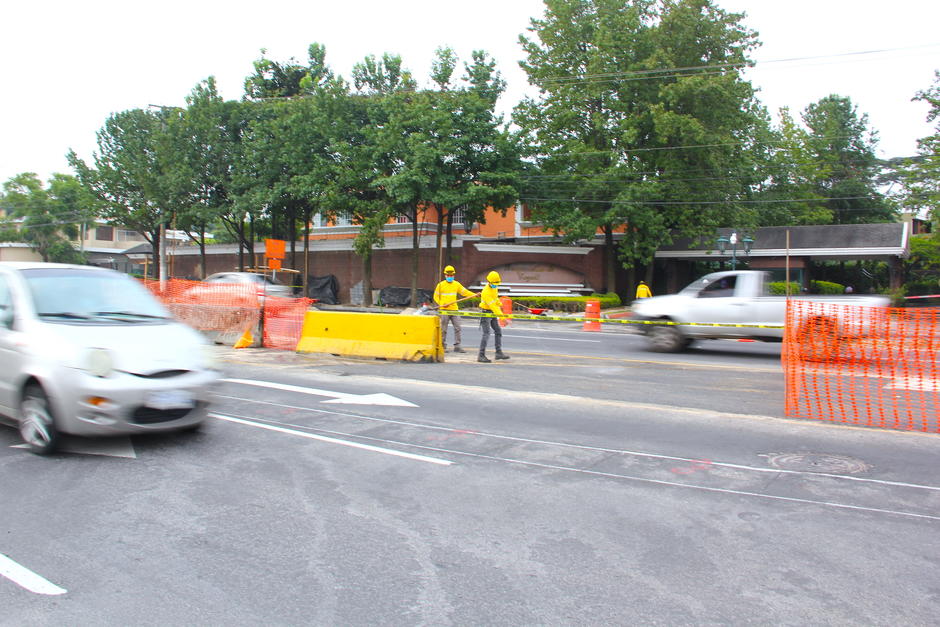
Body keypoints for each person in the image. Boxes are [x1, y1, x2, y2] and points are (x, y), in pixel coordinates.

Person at [433, 265, 475, 353]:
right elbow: (436, 296)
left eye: (451, 275)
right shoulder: (440, 285)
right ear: (445, 275)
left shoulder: (456, 284)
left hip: (454, 309)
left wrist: (474, 295)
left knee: (458, 328)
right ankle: (442, 346)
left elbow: (464, 292)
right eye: (448, 275)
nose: (450, 277)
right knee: (443, 329)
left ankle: (457, 346)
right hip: (444, 310)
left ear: (454, 275)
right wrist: (441, 304)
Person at [477, 270, 509, 363]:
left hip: (492, 312)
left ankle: (498, 353)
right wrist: (503, 318)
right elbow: (493, 306)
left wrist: (500, 303)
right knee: (486, 333)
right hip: (485, 313)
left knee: (498, 331)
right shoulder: (486, 292)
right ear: (489, 282)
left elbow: (495, 299)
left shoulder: (494, 287)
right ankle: (481, 355)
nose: (496, 285)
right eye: (494, 283)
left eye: (497, 283)